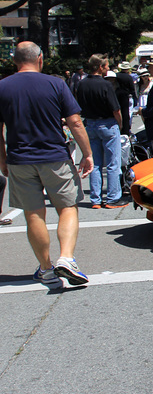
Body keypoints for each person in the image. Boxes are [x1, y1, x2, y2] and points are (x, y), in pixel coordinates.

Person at [0, 41, 94, 287]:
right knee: (67, 207)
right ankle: (66, 258)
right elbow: (74, 122)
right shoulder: (55, 83)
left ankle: (46, 269)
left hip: (20, 159)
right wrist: (87, 153)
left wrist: (2, 159)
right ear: (40, 58)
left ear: (15, 61)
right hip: (54, 156)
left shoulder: (2, 87)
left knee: (33, 214)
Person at [76, 54, 125, 209]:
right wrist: (120, 124)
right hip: (107, 123)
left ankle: (95, 199)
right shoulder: (106, 85)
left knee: (95, 163)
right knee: (112, 163)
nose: (108, 68)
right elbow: (115, 109)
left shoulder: (82, 84)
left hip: (90, 123)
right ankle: (112, 198)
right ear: (100, 67)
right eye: (106, 66)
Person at [114, 61, 137, 134]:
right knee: (125, 113)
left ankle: (118, 127)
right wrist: (135, 98)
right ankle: (126, 130)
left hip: (116, 95)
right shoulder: (128, 77)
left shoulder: (116, 75)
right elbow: (132, 89)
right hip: (125, 96)